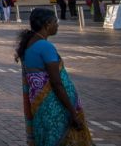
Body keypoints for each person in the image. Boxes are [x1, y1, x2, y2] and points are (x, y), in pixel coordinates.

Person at [15, 8, 93, 146]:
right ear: (47, 24)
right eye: (55, 22)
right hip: (56, 109)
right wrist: (73, 113)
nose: (57, 25)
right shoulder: (45, 47)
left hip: (41, 109)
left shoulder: (29, 44)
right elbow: (56, 83)